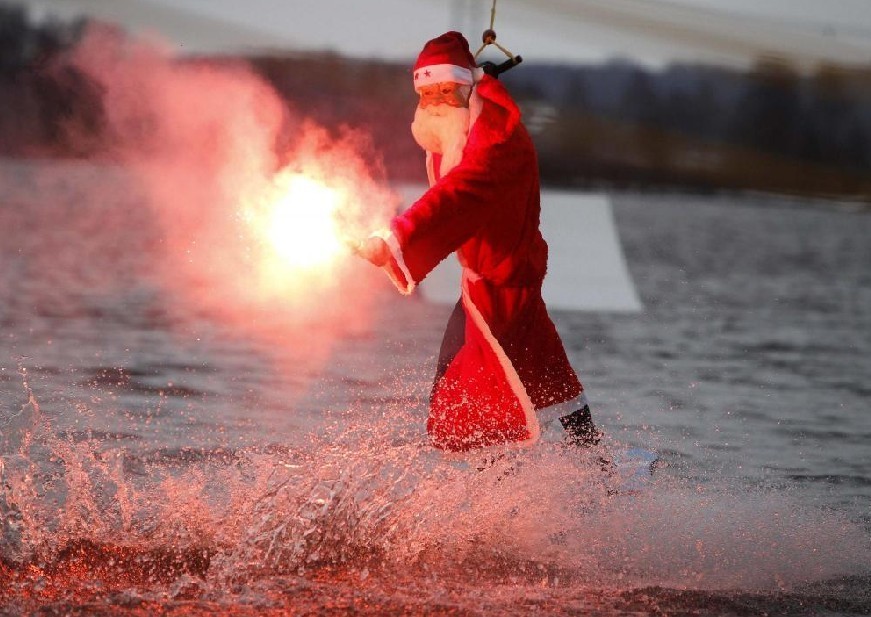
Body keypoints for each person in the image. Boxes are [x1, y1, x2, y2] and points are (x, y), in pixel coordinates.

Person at [355, 31, 601, 452]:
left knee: (469, 386)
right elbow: (446, 199)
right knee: (544, 373)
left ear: (468, 84)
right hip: (495, 280)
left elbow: (458, 196)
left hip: (502, 281)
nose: (434, 101)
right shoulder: (463, 132)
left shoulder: (496, 143)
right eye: (427, 92)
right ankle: (599, 467)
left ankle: (503, 490)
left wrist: (396, 239)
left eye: (445, 90)